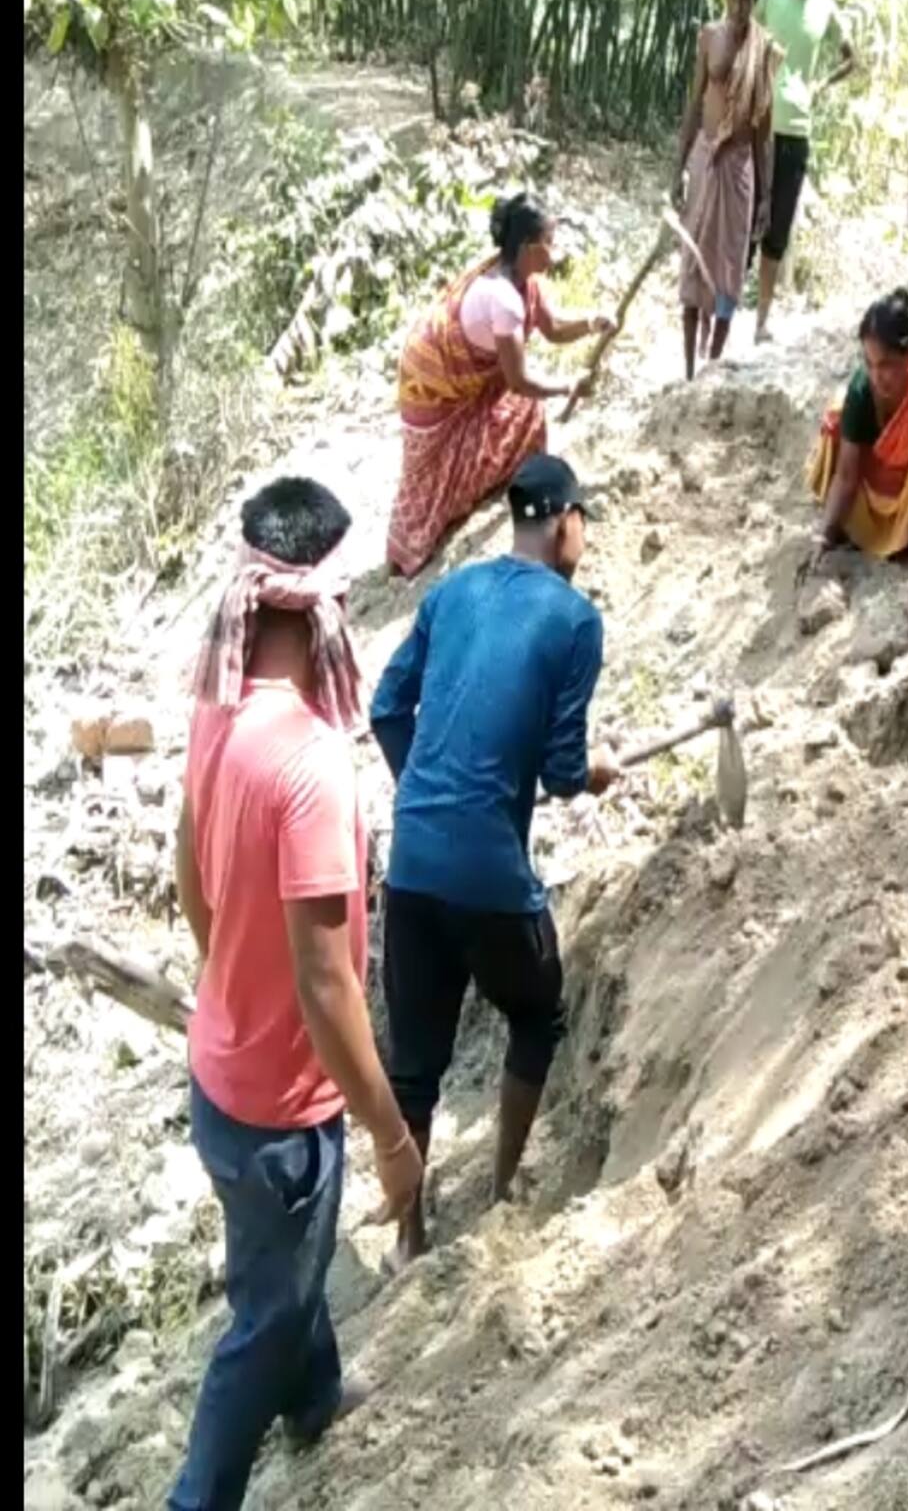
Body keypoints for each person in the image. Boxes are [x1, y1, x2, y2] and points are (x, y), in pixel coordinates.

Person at [170, 478, 423, 1509]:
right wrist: (392, 1137)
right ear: (325, 604)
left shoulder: (214, 710)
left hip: (219, 1072)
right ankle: (200, 1496)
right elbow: (328, 987)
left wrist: (230, 972)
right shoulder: (316, 765)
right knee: (263, 1318)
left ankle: (314, 1397)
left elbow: (188, 865)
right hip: (280, 1107)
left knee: (280, 1263)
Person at [369, 454, 619, 1271]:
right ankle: (503, 1192)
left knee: (414, 1066)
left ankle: (409, 1239)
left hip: (410, 862)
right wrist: (594, 773)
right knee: (537, 1013)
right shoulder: (575, 621)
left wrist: (426, 787)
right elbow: (560, 770)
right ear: (561, 522)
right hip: (488, 872)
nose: (582, 534)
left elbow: (385, 706)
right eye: (582, 520)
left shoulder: (450, 593)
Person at [389, 192, 614, 578]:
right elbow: (519, 380)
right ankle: (403, 556)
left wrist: (593, 321)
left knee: (523, 413)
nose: (554, 252)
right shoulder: (503, 299)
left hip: (462, 383)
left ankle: (500, 484)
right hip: (431, 388)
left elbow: (553, 327)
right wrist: (567, 385)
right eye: (549, 243)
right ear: (528, 247)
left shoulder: (526, 281)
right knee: (427, 476)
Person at [676, 0, 781, 379]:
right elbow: (695, 104)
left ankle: (712, 363)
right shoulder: (709, 37)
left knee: (730, 265)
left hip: (739, 165)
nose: (739, 7)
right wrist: (678, 167)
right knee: (694, 256)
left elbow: (763, 131)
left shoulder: (764, 48)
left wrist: (765, 196)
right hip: (706, 160)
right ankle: (687, 367)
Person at [804, 288, 908, 560]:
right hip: (873, 486)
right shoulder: (862, 390)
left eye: (886, 365)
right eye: (869, 364)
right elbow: (847, 475)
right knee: (836, 416)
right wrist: (824, 535)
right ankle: (850, 529)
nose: (876, 376)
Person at [753, 0, 855, 345]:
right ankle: (726, 313)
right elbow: (741, 33)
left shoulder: (824, 8)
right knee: (747, 218)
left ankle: (761, 320)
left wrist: (820, 85)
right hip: (760, 123)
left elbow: (850, 56)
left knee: (778, 227)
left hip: (797, 128)